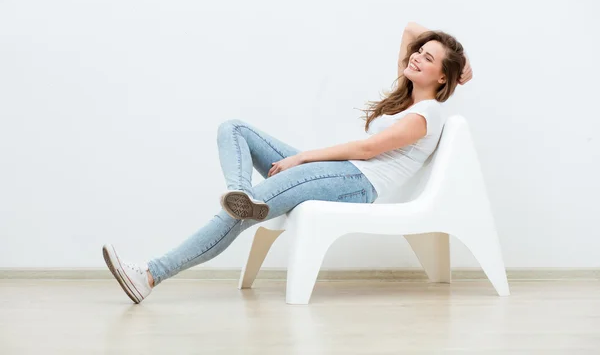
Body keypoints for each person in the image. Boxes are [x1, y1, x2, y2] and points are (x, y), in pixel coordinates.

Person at [102, 22, 472, 303]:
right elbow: (411, 29)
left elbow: (367, 151)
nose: (416, 56)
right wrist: (461, 61)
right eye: (419, 52)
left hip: (356, 182)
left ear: (443, 76)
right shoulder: (407, 94)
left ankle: (149, 276)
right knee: (234, 128)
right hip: (340, 174)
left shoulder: (427, 114)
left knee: (238, 215)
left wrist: (303, 156)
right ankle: (242, 192)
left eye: (428, 58)